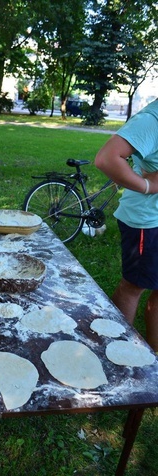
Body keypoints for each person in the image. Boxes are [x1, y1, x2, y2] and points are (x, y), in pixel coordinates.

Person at [94, 98, 158, 351]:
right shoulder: (152, 120)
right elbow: (107, 158)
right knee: (134, 286)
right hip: (147, 221)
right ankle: (115, 353)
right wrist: (148, 186)